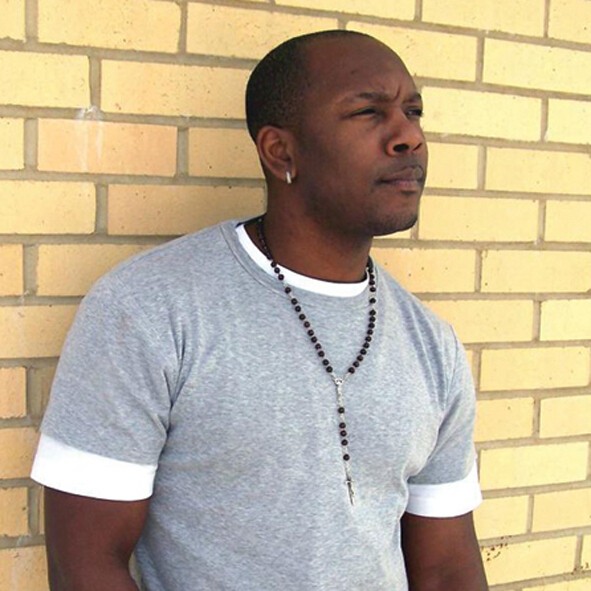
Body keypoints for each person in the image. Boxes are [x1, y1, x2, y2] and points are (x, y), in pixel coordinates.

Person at [32, 30, 489, 590]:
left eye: (413, 112)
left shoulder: (432, 345)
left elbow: (446, 569)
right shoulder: (149, 310)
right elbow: (84, 567)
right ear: (280, 152)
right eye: (368, 112)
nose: (409, 137)